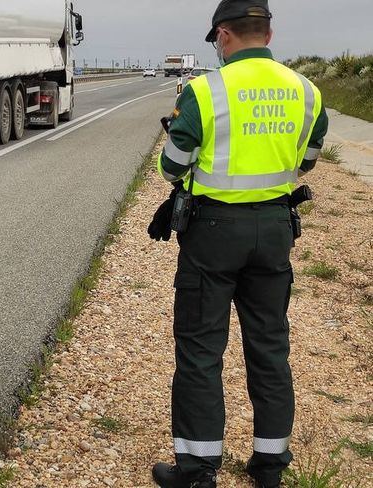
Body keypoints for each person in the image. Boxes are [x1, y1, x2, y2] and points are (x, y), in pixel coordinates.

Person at [149, 1, 328, 487]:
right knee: (270, 346)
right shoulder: (306, 92)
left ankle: (197, 469)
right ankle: (270, 466)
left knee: (201, 349)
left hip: (212, 233)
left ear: (223, 35)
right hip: (274, 229)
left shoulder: (205, 92)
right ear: (268, 34)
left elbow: (172, 165)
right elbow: (307, 160)